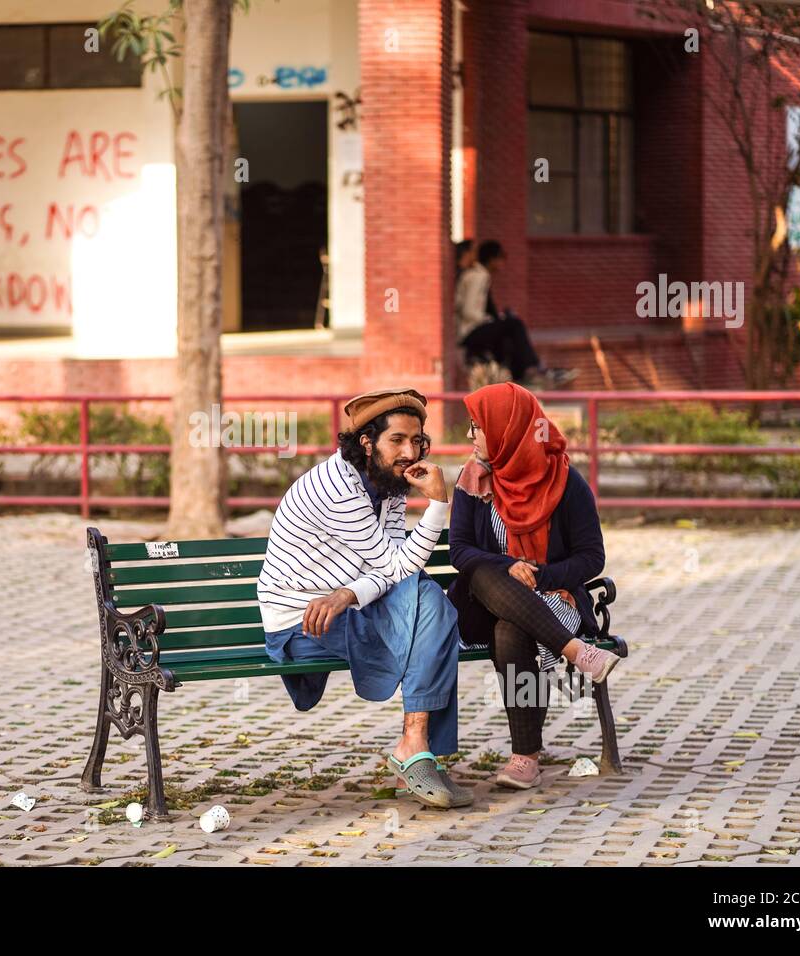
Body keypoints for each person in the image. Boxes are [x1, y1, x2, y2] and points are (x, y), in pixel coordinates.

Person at [256, 387, 471, 809]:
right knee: (432, 607)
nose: (410, 451)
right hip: (299, 621)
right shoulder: (337, 487)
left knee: (430, 603)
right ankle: (416, 743)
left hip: (349, 608)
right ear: (367, 443)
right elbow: (395, 567)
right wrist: (438, 504)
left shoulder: (387, 485)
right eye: (398, 440)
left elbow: (391, 571)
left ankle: (416, 742)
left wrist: (349, 592)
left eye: (418, 441)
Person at [447, 382, 620, 790]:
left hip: (551, 598)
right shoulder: (474, 479)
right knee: (488, 571)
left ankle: (525, 758)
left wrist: (539, 576)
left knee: (513, 628)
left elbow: (591, 557)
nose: (470, 435)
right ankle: (578, 652)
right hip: (480, 605)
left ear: (508, 429)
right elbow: (460, 552)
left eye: (478, 426)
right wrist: (512, 567)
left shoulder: (565, 482)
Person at [455, 240, 578, 388]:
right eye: (502, 257)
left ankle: (521, 375)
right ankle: (533, 368)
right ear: (492, 258)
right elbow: (469, 311)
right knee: (514, 323)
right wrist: (489, 320)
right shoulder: (479, 276)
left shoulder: (479, 275)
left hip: (474, 330)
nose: (503, 263)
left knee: (508, 331)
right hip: (470, 332)